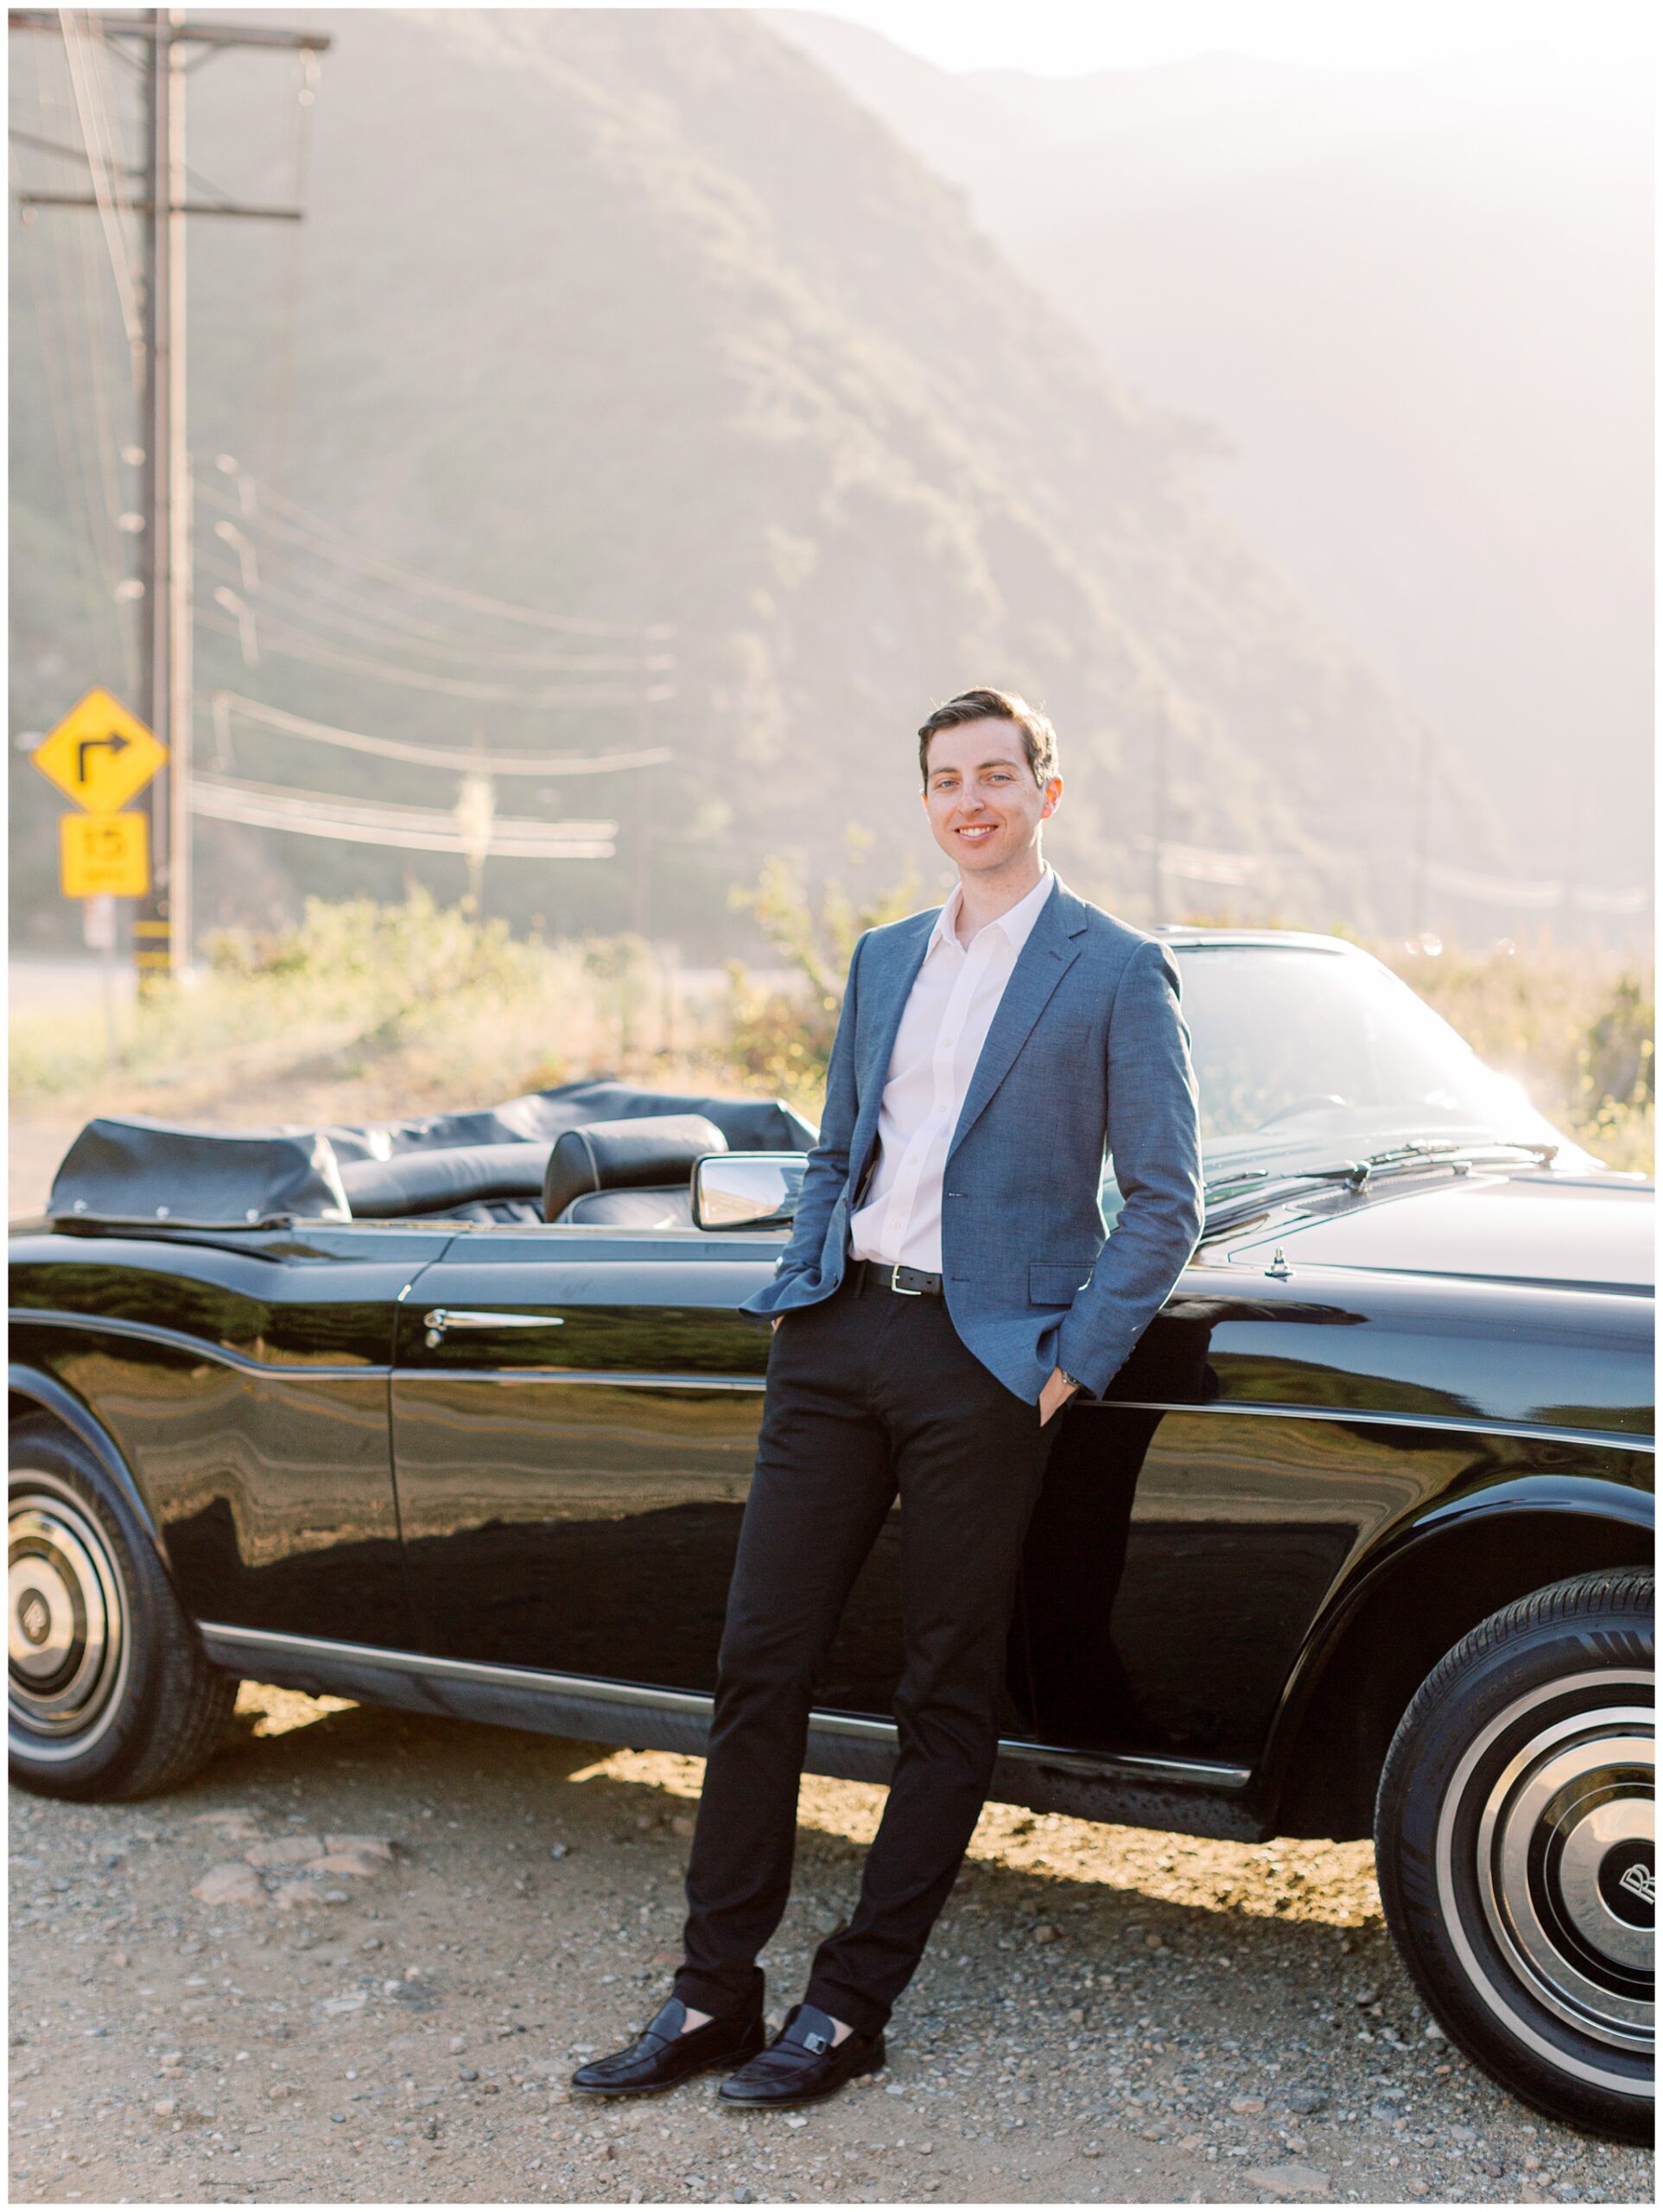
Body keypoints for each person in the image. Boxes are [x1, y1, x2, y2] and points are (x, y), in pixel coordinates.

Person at [572, 687, 1203, 2108]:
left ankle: (850, 2006)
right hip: (837, 1337)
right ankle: (710, 1993)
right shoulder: (881, 957)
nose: (969, 800)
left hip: (984, 1364)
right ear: (924, 802)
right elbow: (836, 1147)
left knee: (942, 1689)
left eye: (995, 775)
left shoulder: (1114, 969)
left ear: (1046, 792)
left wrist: (1065, 1362)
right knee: (759, 1661)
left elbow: (1167, 1199)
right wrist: (807, 1276)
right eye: (944, 779)